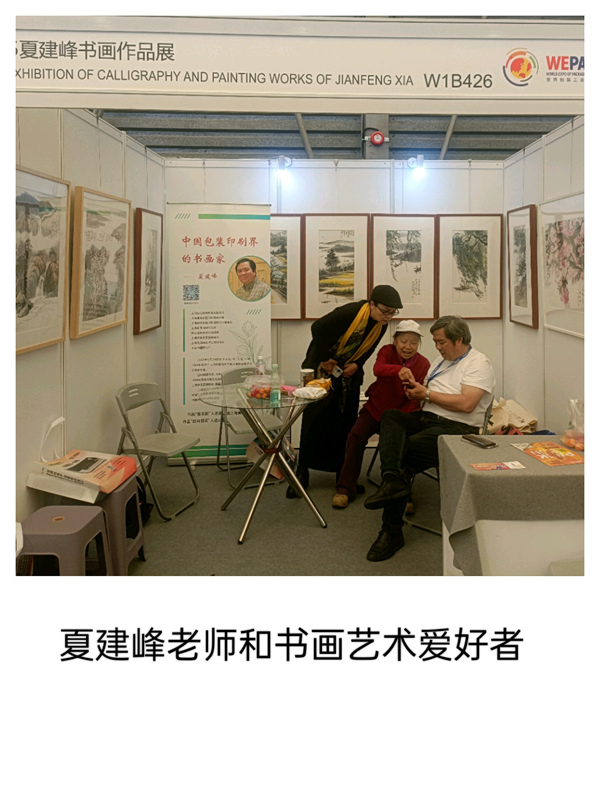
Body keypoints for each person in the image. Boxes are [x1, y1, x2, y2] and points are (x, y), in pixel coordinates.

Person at [363, 315, 495, 562]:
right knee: (391, 417)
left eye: (441, 342)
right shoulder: (440, 361)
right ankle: (393, 480)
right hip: (427, 418)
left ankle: (391, 531)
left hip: (457, 429)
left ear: (459, 339)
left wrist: (427, 394)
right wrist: (416, 391)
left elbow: (467, 404)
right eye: (435, 342)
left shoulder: (478, 364)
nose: (437, 347)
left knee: (402, 452)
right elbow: (428, 394)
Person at [287, 284, 403, 498]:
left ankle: (344, 476)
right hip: (322, 369)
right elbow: (318, 328)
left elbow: (368, 349)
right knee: (314, 418)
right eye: (385, 311)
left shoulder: (380, 325)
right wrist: (325, 358)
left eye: (392, 313)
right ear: (372, 304)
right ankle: (302, 473)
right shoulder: (350, 312)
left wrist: (357, 364)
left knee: (346, 423)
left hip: (348, 375)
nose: (388, 317)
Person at [332, 320, 430, 509]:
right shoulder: (386, 351)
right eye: (403, 341)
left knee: (403, 445)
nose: (408, 347)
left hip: (400, 416)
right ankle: (345, 488)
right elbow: (378, 369)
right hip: (376, 409)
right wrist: (399, 370)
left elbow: (417, 397)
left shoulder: (424, 363)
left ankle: (402, 494)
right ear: (395, 340)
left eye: (413, 342)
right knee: (356, 436)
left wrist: (412, 399)